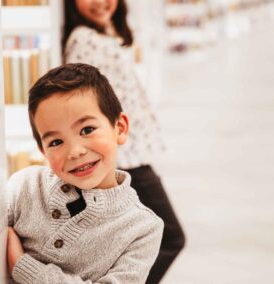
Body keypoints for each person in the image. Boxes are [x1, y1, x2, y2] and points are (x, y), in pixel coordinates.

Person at [63, 1, 186, 282]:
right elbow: (85, 108)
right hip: (125, 157)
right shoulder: (84, 39)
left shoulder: (102, 32)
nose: (100, 2)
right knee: (171, 237)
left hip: (129, 152)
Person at [7, 63, 164, 284]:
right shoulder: (23, 186)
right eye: (56, 142)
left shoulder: (143, 229)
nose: (75, 151)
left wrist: (21, 265)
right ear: (43, 150)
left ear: (120, 128)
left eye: (87, 130)